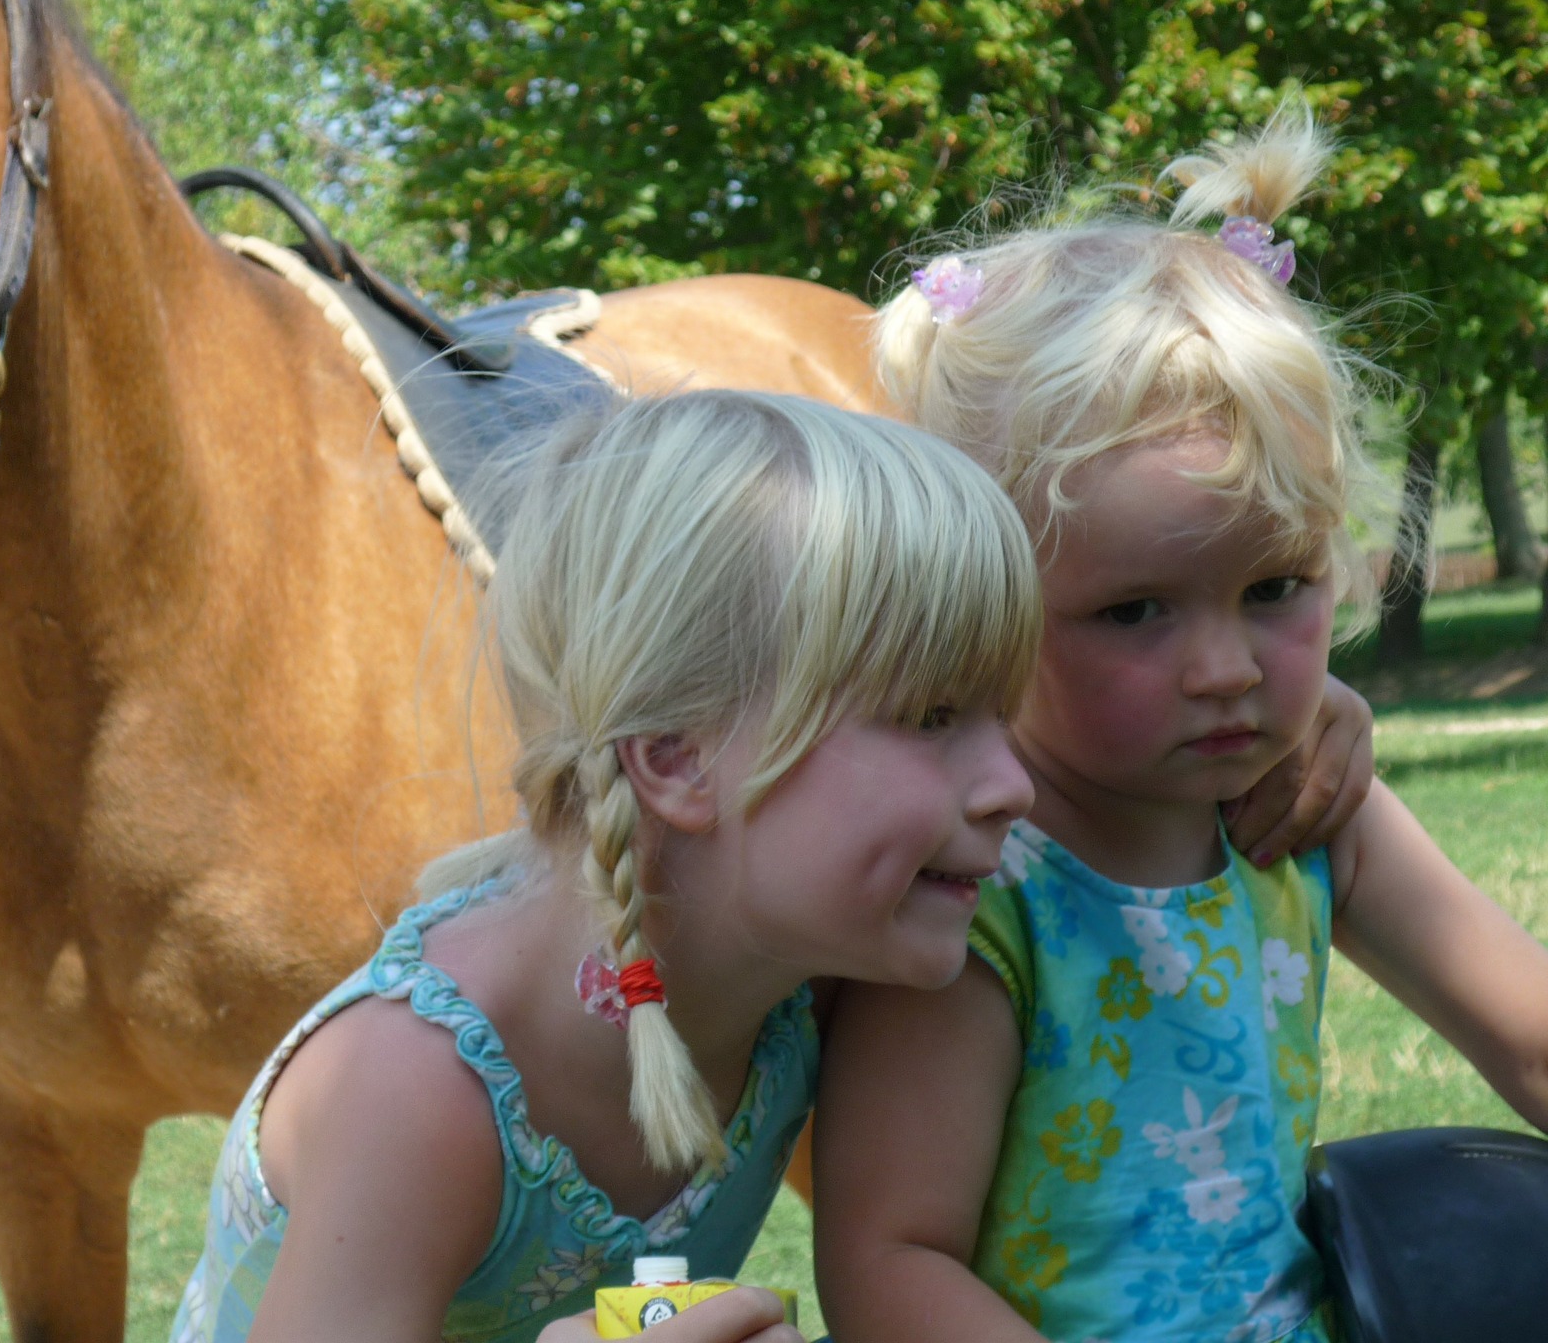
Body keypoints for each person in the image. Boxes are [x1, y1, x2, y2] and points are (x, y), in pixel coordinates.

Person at [812, 105, 1548, 1343]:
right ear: (984, 605)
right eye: (1134, 611)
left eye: (1275, 589)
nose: (1223, 669)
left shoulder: (1313, 814)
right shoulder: (983, 888)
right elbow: (891, 1264)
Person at [172, 388, 1045, 1343]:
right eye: (930, 717)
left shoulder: (815, 985)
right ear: (677, 759)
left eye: (1005, 714)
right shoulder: (415, 1094)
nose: (1014, 784)